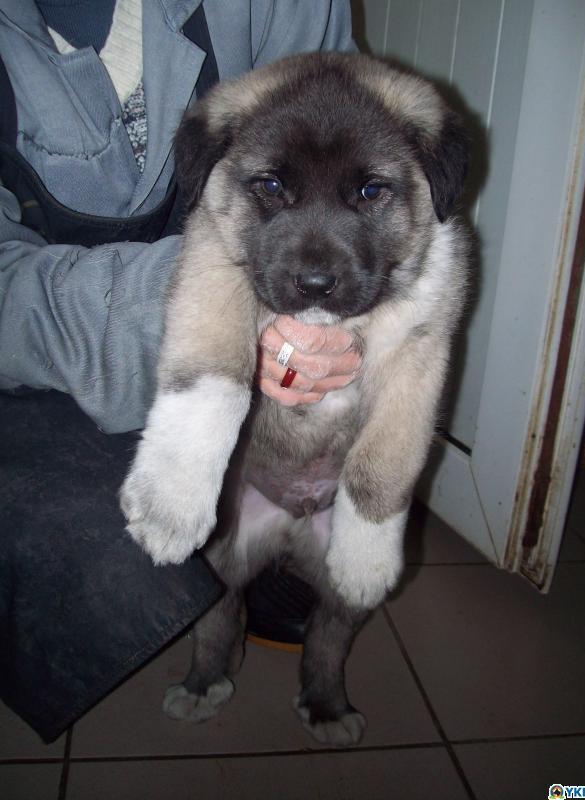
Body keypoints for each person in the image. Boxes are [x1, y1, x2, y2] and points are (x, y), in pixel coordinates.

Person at [0, 0, 360, 741]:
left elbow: (348, 138)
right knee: (140, 549)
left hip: (276, 368)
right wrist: (211, 310)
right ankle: (209, 646)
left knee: (343, 562)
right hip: (50, 356)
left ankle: (312, 662)